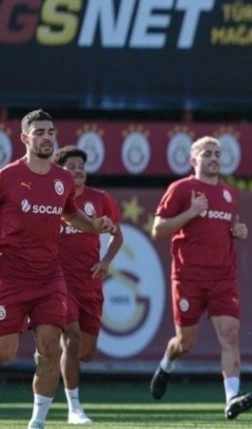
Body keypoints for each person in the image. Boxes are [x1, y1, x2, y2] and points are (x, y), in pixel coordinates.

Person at [0, 109, 114, 429]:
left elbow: (71, 214)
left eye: (50, 132)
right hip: (9, 275)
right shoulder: (6, 177)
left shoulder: (62, 179)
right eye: (39, 132)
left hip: (50, 278)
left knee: (51, 349)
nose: (47, 137)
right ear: (25, 138)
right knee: (5, 353)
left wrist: (94, 225)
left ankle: (37, 423)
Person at [149, 136, 252, 420]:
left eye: (217, 154)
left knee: (230, 335)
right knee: (185, 342)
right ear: (193, 160)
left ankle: (232, 398)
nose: (213, 158)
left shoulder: (229, 193)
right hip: (188, 276)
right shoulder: (181, 189)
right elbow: (158, 229)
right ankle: (167, 364)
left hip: (223, 276)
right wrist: (192, 212)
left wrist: (237, 232)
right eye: (207, 153)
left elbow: (224, 228)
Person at [52, 146, 124, 424]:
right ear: (60, 172)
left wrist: (106, 261)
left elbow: (117, 236)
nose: (78, 170)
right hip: (58, 281)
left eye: (81, 166)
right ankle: (74, 408)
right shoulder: (52, 199)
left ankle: (48, 353)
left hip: (89, 283)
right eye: (71, 166)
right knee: (71, 339)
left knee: (85, 352)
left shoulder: (100, 199)